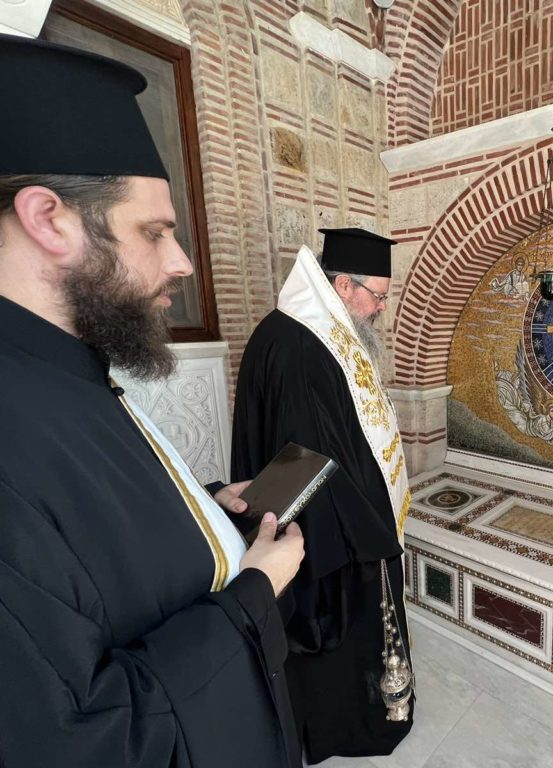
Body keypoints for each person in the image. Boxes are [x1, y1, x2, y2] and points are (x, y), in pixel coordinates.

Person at [0, 35, 305, 767]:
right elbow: (85, 738)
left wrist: (203, 505)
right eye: (156, 231)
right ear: (49, 220)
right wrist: (255, 591)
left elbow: (90, 548)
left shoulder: (67, 368)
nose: (182, 263)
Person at [232, 229, 415, 762]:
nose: (381, 308)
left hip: (349, 510)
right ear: (341, 284)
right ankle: (343, 729)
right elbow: (307, 456)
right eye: (376, 295)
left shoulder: (328, 330)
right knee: (339, 631)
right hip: (327, 530)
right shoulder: (297, 344)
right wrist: (371, 530)